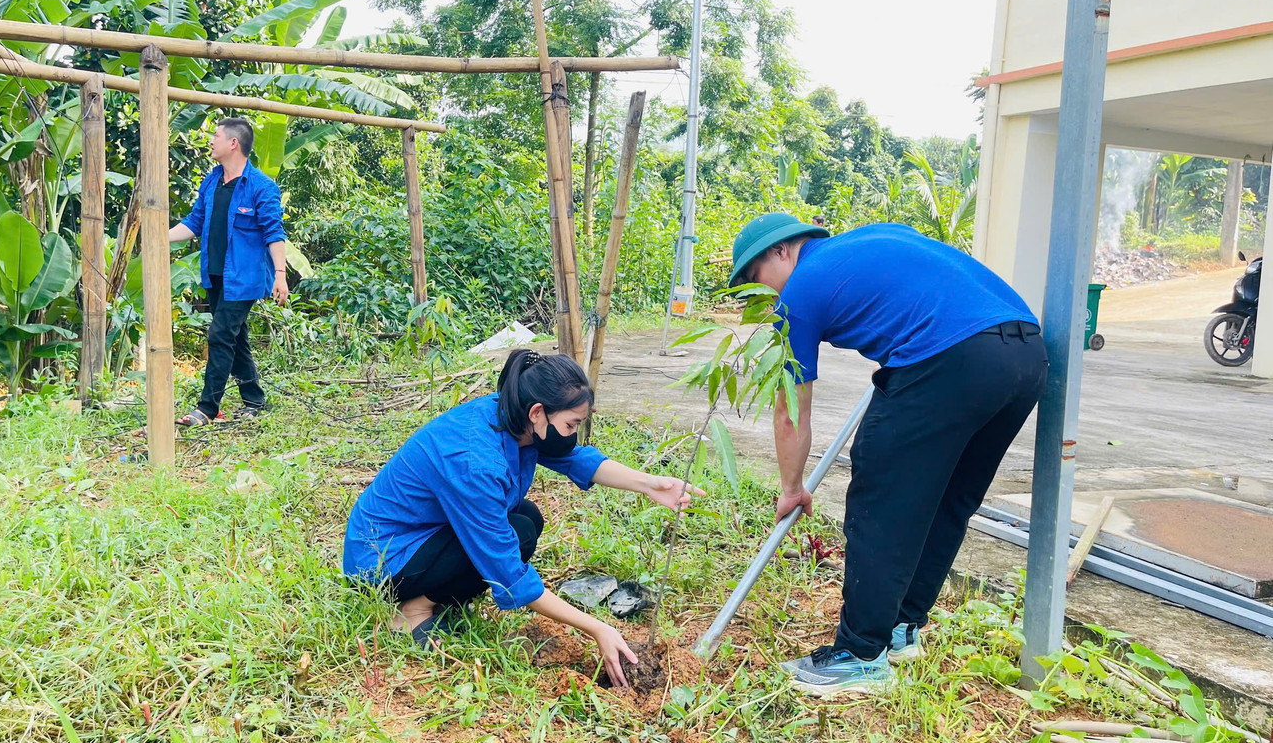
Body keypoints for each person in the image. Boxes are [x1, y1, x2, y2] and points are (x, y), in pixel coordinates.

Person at [726, 212, 1048, 697]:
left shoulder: (800, 291)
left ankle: (859, 655)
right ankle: (901, 629)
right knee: (948, 499)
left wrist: (792, 489)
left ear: (781, 251)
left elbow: (790, 411)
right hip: (1026, 354)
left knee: (881, 498)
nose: (766, 295)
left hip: (951, 359)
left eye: (756, 280)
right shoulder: (879, 236)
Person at [343, 349, 705, 687]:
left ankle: (437, 599)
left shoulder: (511, 419)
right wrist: (597, 628)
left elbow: (576, 459)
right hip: (383, 559)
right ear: (537, 413)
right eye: (570, 424)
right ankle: (411, 612)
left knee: (526, 520)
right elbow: (508, 571)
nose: (573, 434)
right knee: (513, 534)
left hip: (424, 536)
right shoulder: (475, 461)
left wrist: (651, 485)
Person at [168, 117, 290, 427]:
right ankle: (254, 398)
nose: (211, 140)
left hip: (244, 278)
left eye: (216, 135)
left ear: (233, 143)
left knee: (220, 335)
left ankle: (207, 408)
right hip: (215, 273)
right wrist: (160, 235)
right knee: (236, 337)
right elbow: (194, 223)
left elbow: (274, 232)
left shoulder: (261, 186)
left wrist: (280, 273)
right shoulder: (211, 181)